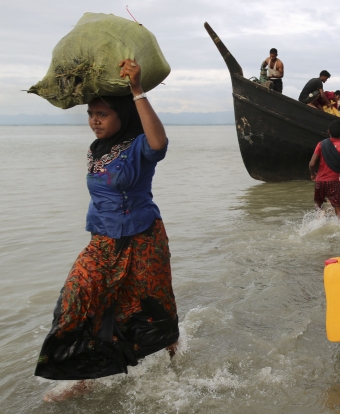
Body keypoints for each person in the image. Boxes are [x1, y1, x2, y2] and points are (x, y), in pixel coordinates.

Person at [34, 58, 179, 402]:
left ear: (122, 115)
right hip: (102, 243)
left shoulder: (139, 147)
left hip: (143, 238)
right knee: (76, 300)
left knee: (150, 308)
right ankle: (83, 377)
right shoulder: (95, 150)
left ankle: (173, 352)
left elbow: (159, 142)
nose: (95, 121)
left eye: (103, 114)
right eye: (91, 114)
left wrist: (137, 90)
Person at [309, 120, 340, 217]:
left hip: (320, 181)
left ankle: (321, 213)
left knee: (317, 204)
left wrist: (313, 174)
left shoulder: (321, 144)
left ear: (329, 131)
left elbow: (312, 164)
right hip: (334, 182)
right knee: (339, 211)